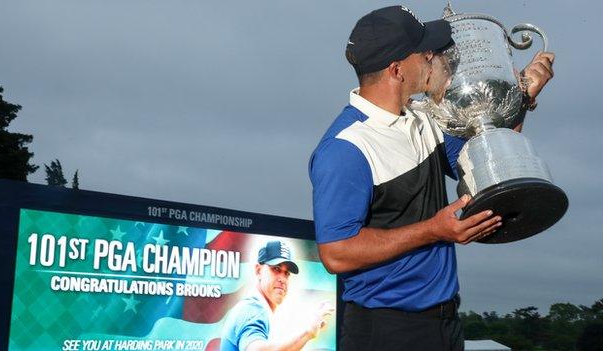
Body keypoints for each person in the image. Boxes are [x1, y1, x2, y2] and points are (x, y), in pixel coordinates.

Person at [308, 5, 554, 351]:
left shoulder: (425, 118)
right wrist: (433, 231)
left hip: (445, 322)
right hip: (383, 331)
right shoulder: (346, 148)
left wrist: (523, 96)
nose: (433, 57)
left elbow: (487, 163)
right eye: (424, 52)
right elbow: (336, 253)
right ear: (396, 69)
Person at [220, 240, 334, 351]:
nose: (283, 279)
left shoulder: (260, 308)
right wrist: (308, 332)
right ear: (258, 270)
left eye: (287, 273)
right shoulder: (253, 310)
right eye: (276, 269)